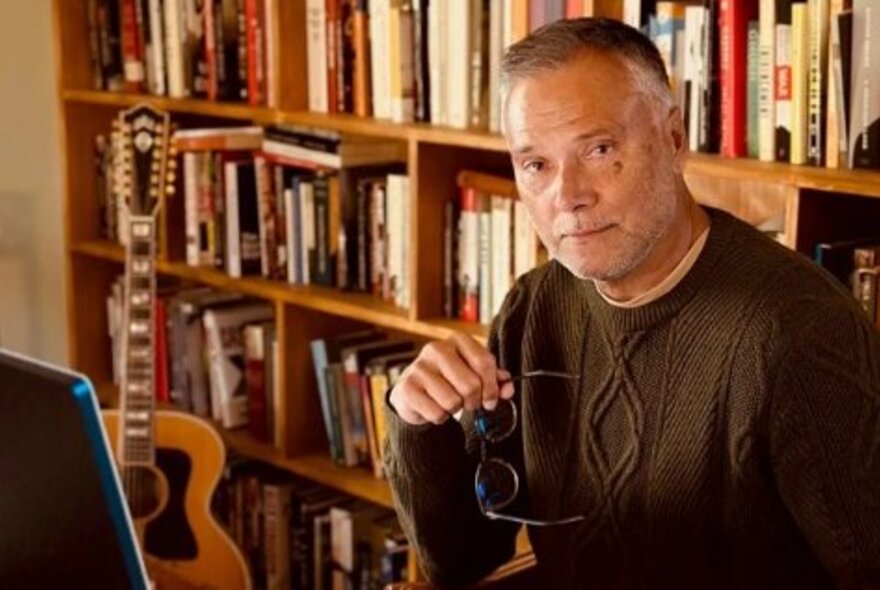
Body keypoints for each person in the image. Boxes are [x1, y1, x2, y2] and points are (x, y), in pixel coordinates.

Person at [384, 17, 880, 589]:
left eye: (599, 149)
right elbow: (460, 563)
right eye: (536, 165)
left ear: (673, 139)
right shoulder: (535, 306)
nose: (568, 197)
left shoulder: (799, 331)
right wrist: (420, 423)